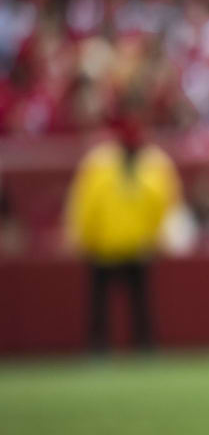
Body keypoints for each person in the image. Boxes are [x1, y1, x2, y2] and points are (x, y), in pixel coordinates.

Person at [64, 117, 180, 351]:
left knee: (140, 302)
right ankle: (99, 345)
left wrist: (158, 237)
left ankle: (144, 344)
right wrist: (83, 237)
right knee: (100, 303)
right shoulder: (100, 164)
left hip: (137, 244)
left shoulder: (153, 164)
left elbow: (164, 205)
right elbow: (85, 205)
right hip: (105, 245)